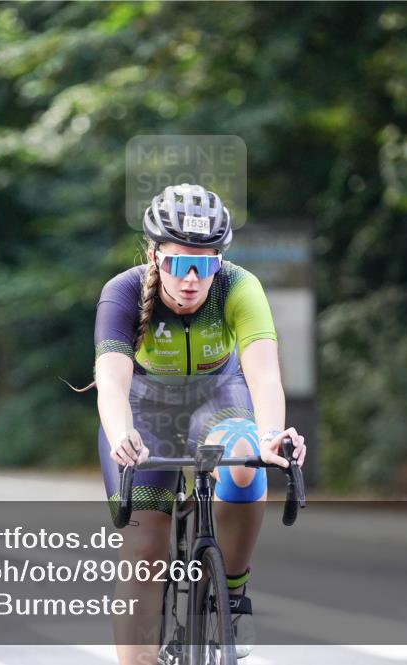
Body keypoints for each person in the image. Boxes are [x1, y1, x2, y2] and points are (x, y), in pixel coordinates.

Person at [89, 184, 307, 662]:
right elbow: (111, 381)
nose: (191, 279)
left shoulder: (238, 286)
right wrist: (121, 433)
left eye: (204, 265)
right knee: (144, 550)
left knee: (245, 463)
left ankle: (234, 591)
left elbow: (264, 373)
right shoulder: (123, 292)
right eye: (177, 263)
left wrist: (272, 436)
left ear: (219, 261)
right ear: (153, 254)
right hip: (146, 409)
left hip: (219, 399)